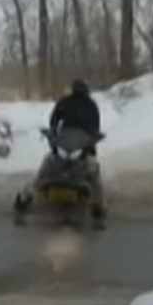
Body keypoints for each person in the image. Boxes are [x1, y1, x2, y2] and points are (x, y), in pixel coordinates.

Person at [48, 79, 106, 225]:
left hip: (83, 143)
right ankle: (28, 196)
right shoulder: (66, 102)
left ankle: (98, 204)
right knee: (48, 162)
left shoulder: (90, 105)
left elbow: (95, 126)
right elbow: (54, 118)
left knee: (92, 169)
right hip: (66, 141)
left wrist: (92, 140)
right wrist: (53, 134)